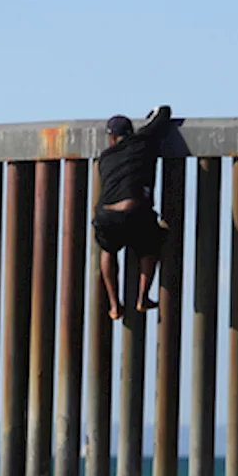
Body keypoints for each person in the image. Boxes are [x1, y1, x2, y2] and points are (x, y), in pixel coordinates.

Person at [93, 105, 173, 320]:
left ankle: (113, 305)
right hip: (135, 211)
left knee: (107, 250)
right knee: (151, 245)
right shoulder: (143, 140)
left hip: (106, 214)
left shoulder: (105, 157)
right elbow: (164, 113)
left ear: (111, 139)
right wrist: (153, 114)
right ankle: (143, 297)